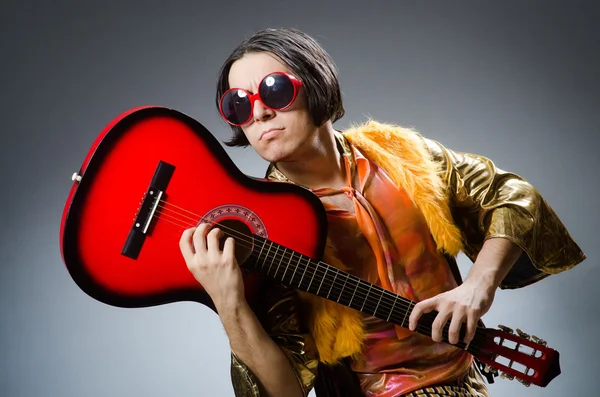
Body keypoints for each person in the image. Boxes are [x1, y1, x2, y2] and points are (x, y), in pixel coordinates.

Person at [178, 28, 585, 397]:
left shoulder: (401, 155)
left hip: (464, 381)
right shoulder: (267, 226)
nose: (260, 113)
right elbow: (283, 393)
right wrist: (228, 302)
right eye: (238, 104)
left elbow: (513, 195)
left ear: (316, 84)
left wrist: (478, 286)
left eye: (274, 90)